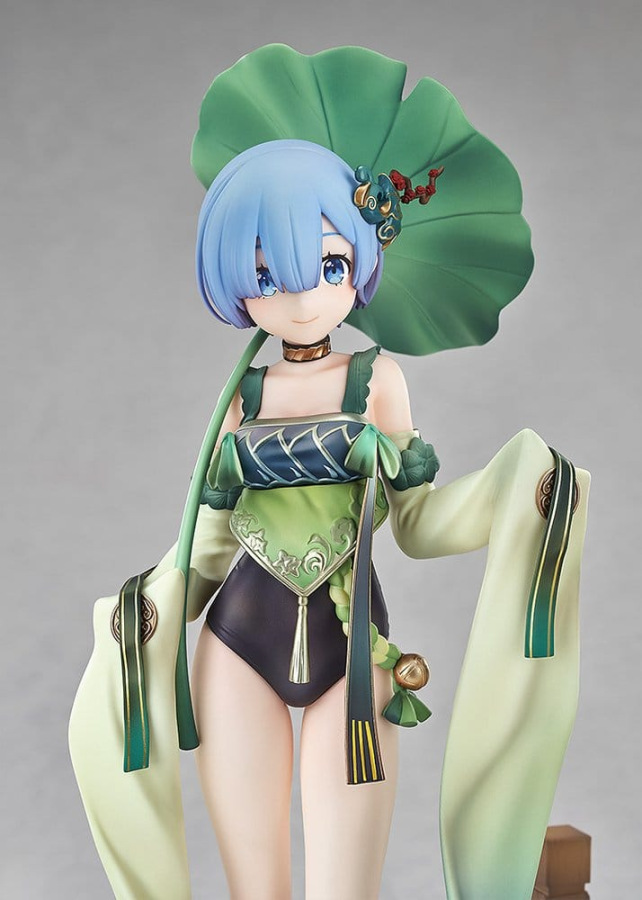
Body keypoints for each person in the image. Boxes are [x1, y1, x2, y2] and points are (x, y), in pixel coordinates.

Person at [69, 45, 590, 900]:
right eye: (268, 273)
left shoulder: (376, 383)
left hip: (357, 656)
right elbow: (208, 549)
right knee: (256, 888)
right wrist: (146, 610)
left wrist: (512, 491)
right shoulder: (240, 397)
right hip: (235, 644)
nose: (304, 296)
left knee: (347, 888)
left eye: (330, 264)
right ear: (238, 284)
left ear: (361, 261)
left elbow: (420, 526)